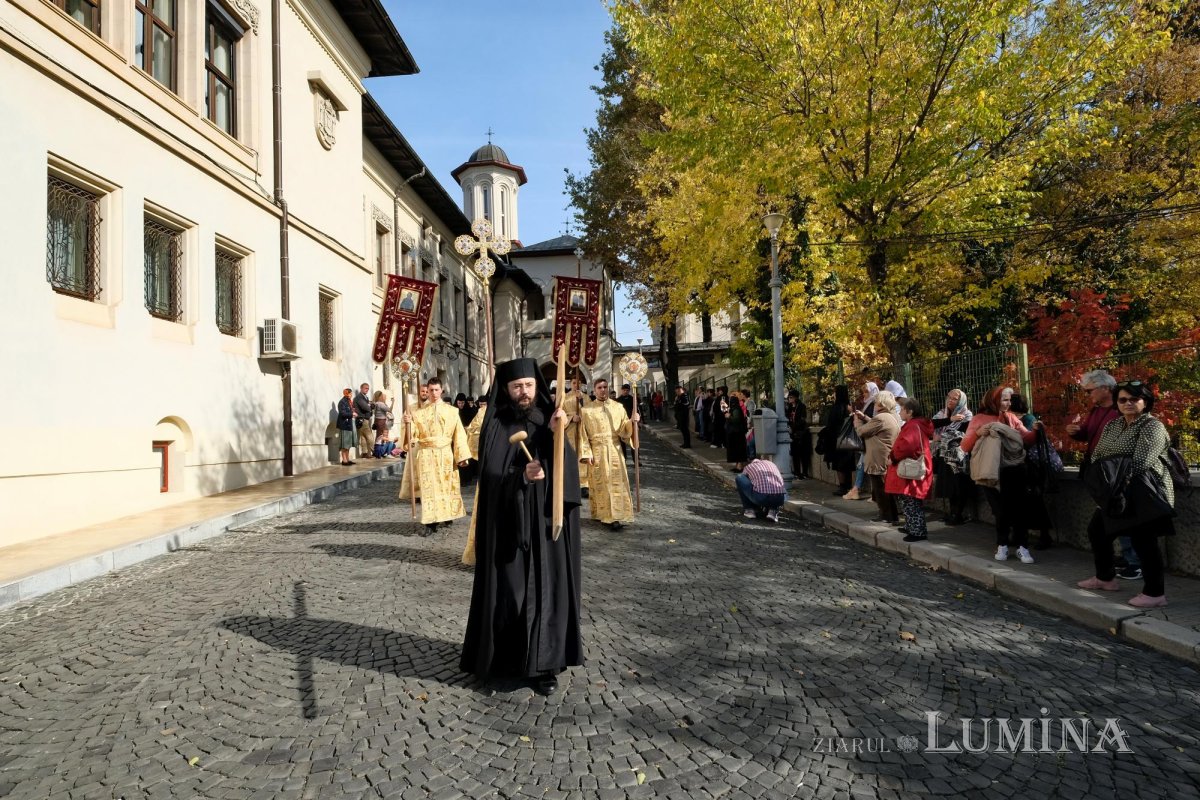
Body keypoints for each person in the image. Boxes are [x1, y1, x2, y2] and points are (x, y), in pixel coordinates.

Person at [460, 357, 583, 696]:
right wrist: (520, 477)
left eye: (529, 385)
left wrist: (557, 444)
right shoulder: (496, 423)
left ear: (536, 386)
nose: (524, 391)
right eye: (517, 386)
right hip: (509, 528)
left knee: (546, 594)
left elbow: (568, 477)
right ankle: (504, 664)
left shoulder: (550, 420)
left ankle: (544, 667)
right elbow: (489, 477)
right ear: (507, 389)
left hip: (545, 526)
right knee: (510, 595)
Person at [1076, 380, 1174, 608]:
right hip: (1115, 490)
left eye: (1134, 399)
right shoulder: (1113, 425)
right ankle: (1105, 578)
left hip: (1143, 492)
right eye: (1123, 399)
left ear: (1145, 401)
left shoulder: (1152, 426)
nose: (1128, 403)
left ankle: (1154, 593)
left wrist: (1112, 472)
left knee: (1144, 540)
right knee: (1097, 530)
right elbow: (1098, 454)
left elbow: (1141, 462)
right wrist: (1108, 479)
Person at [1067, 370, 1139, 578]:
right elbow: (1089, 434)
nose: (1088, 395)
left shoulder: (1122, 410)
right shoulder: (1096, 411)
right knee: (1110, 519)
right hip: (1101, 471)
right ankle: (1125, 557)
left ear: (1105, 388)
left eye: (1090, 391)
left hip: (1119, 472)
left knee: (1121, 516)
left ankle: (1134, 561)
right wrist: (1076, 432)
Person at [961, 386, 1039, 563]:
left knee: (1019, 509)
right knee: (1000, 511)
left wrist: (1036, 430)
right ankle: (1002, 544)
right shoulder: (979, 419)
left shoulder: (1011, 417)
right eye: (1004, 399)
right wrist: (979, 433)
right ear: (993, 400)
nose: (1008, 403)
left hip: (1014, 470)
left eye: (1009, 400)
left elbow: (1026, 439)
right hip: (990, 471)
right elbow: (965, 446)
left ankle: (1022, 547)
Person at [402, 377, 471, 536]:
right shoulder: (418, 411)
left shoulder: (452, 411)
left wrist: (462, 456)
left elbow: (459, 434)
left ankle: (447, 515)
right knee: (429, 489)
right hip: (426, 454)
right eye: (431, 390)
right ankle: (430, 522)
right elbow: (413, 436)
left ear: (442, 391)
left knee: (446, 486)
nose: (433, 393)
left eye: (436, 390)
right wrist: (408, 424)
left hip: (445, 454)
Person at [578, 377, 638, 530]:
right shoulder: (586, 410)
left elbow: (625, 428)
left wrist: (632, 421)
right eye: (599, 387)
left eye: (605, 387)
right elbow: (583, 435)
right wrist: (587, 453)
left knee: (616, 483)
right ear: (594, 390)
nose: (603, 390)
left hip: (614, 450)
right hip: (597, 452)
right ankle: (602, 514)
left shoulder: (618, 407)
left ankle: (615, 517)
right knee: (601, 484)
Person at [885, 398, 935, 542]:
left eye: (901, 409)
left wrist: (893, 457)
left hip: (910, 467)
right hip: (914, 465)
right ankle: (911, 526)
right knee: (908, 499)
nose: (899, 412)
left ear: (910, 412)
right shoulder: (916, 424)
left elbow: (907, 446)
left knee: (910, 500)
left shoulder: (912, 425)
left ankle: (917, 531)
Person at [1010, 393, 1054, 549]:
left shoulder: (1027, 419)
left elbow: (1029, 441)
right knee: (1019, 504)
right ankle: (1020, 536)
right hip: (1019, 465)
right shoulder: (1013, 419)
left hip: (1031, 467)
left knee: (1035, 502)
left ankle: (1045, 536)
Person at [854, 390, 901, 524]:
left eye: (876, 401)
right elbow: (877, 426)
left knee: (880, 489)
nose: (874, 404)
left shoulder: (881, 418)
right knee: (885, 488)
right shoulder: (891, 416)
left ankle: (886, 516)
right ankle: (891, 516)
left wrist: (857, 422)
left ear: (881, 403)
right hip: (886, 457)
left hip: (878, 459)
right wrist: (865, 418)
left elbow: (862, 431)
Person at [931, 389, 974, 525]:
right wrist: (950, 420)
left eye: (955, 398)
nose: (950, 400)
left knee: (958, 485)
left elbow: (960, 435)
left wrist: (941, 437)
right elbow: (931, 425)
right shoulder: (942, 414)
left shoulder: (966, 415)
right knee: (948, 486)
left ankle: (958, 514)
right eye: (949, 397)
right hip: (944, 454)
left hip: (958, 457)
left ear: (961, 401)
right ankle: (951, 513)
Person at [843, 381, 879, 500]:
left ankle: (858, 490)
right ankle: (859, 490)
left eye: (866, 392)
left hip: (872, 439)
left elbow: (875, 422)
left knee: (864, 465)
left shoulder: (875, 404)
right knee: (863, 464)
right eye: (863, 392)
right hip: (867, 438)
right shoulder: (869, 403)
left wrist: (862, 417)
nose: (864, 394)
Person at [818, 385, 857, 495]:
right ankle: (848, 486)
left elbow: (831, 424)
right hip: (848, 440)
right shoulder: (849, 407)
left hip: (837, 440)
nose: (833, 394)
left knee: (839, 465)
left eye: (835, 392)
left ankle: (842, 487)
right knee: (847, 464)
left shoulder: (836, 408)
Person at [563, 376, 591, 498]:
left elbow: (591, 411)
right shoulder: (564, 397)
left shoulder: (585, 397)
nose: (576, 385)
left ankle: (584, 485)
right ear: (571, 384)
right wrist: (571, 418)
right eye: (574, 383)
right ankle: (571, 483)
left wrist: (581, 401)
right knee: (571, 456)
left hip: (583, 431)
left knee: (583, 456)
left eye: (579, 383)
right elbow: (560, 414)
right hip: (569, 430)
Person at [736, 456, 787, 522]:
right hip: (780, 499)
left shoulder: (749, 467)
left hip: (761, 498)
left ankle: (749, 510)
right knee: (777, 486)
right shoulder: (771, 464)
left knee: (740, 478)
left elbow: (745, 481)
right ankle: (773, 510)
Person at [787, 389, 812, 480]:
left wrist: (793, 427)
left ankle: (804, 472)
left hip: (801, 433)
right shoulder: (789, 407)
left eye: (791, 397)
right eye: (789, 397)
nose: (789, 399)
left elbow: (802, 420)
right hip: (793, 434)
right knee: (795, 454)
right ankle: (797, 472)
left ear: (796, 398)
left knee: (803, 454)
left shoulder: (801, 406)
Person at [724, 389, 749, 470]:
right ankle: (737, 465)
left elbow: (736, 419)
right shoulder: (734, 408)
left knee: (738, 450)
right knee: (735, 450)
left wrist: (729, 416)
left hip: (737, 433)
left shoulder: (736, 409)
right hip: (734, 432)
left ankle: (739, 466)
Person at [354, 383, 375, 459]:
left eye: (368, 388)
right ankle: (374, 451)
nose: (367, 390)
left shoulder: (365, 397)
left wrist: (370, 405)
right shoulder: (359, 397)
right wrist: (370, 406)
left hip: (365, 419)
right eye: (365, 388)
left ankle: (365, 453)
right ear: (361, 388)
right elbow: (366, 408)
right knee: (369, 436)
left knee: (363, 437)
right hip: (362, 419)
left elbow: (370, 406)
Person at [336, 388, 356, 466]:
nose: (351, 395)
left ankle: (347, 459)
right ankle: (344, 460)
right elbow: (342, 413)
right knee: (344, 444)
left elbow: (349, 411)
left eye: (351, 393)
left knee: (348, 443)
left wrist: (353, 412)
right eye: (350, 393)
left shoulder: (348, 401)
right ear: (346, 393)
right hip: (344, 424)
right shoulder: (342, 402)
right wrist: (352, 414)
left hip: (349, 424)